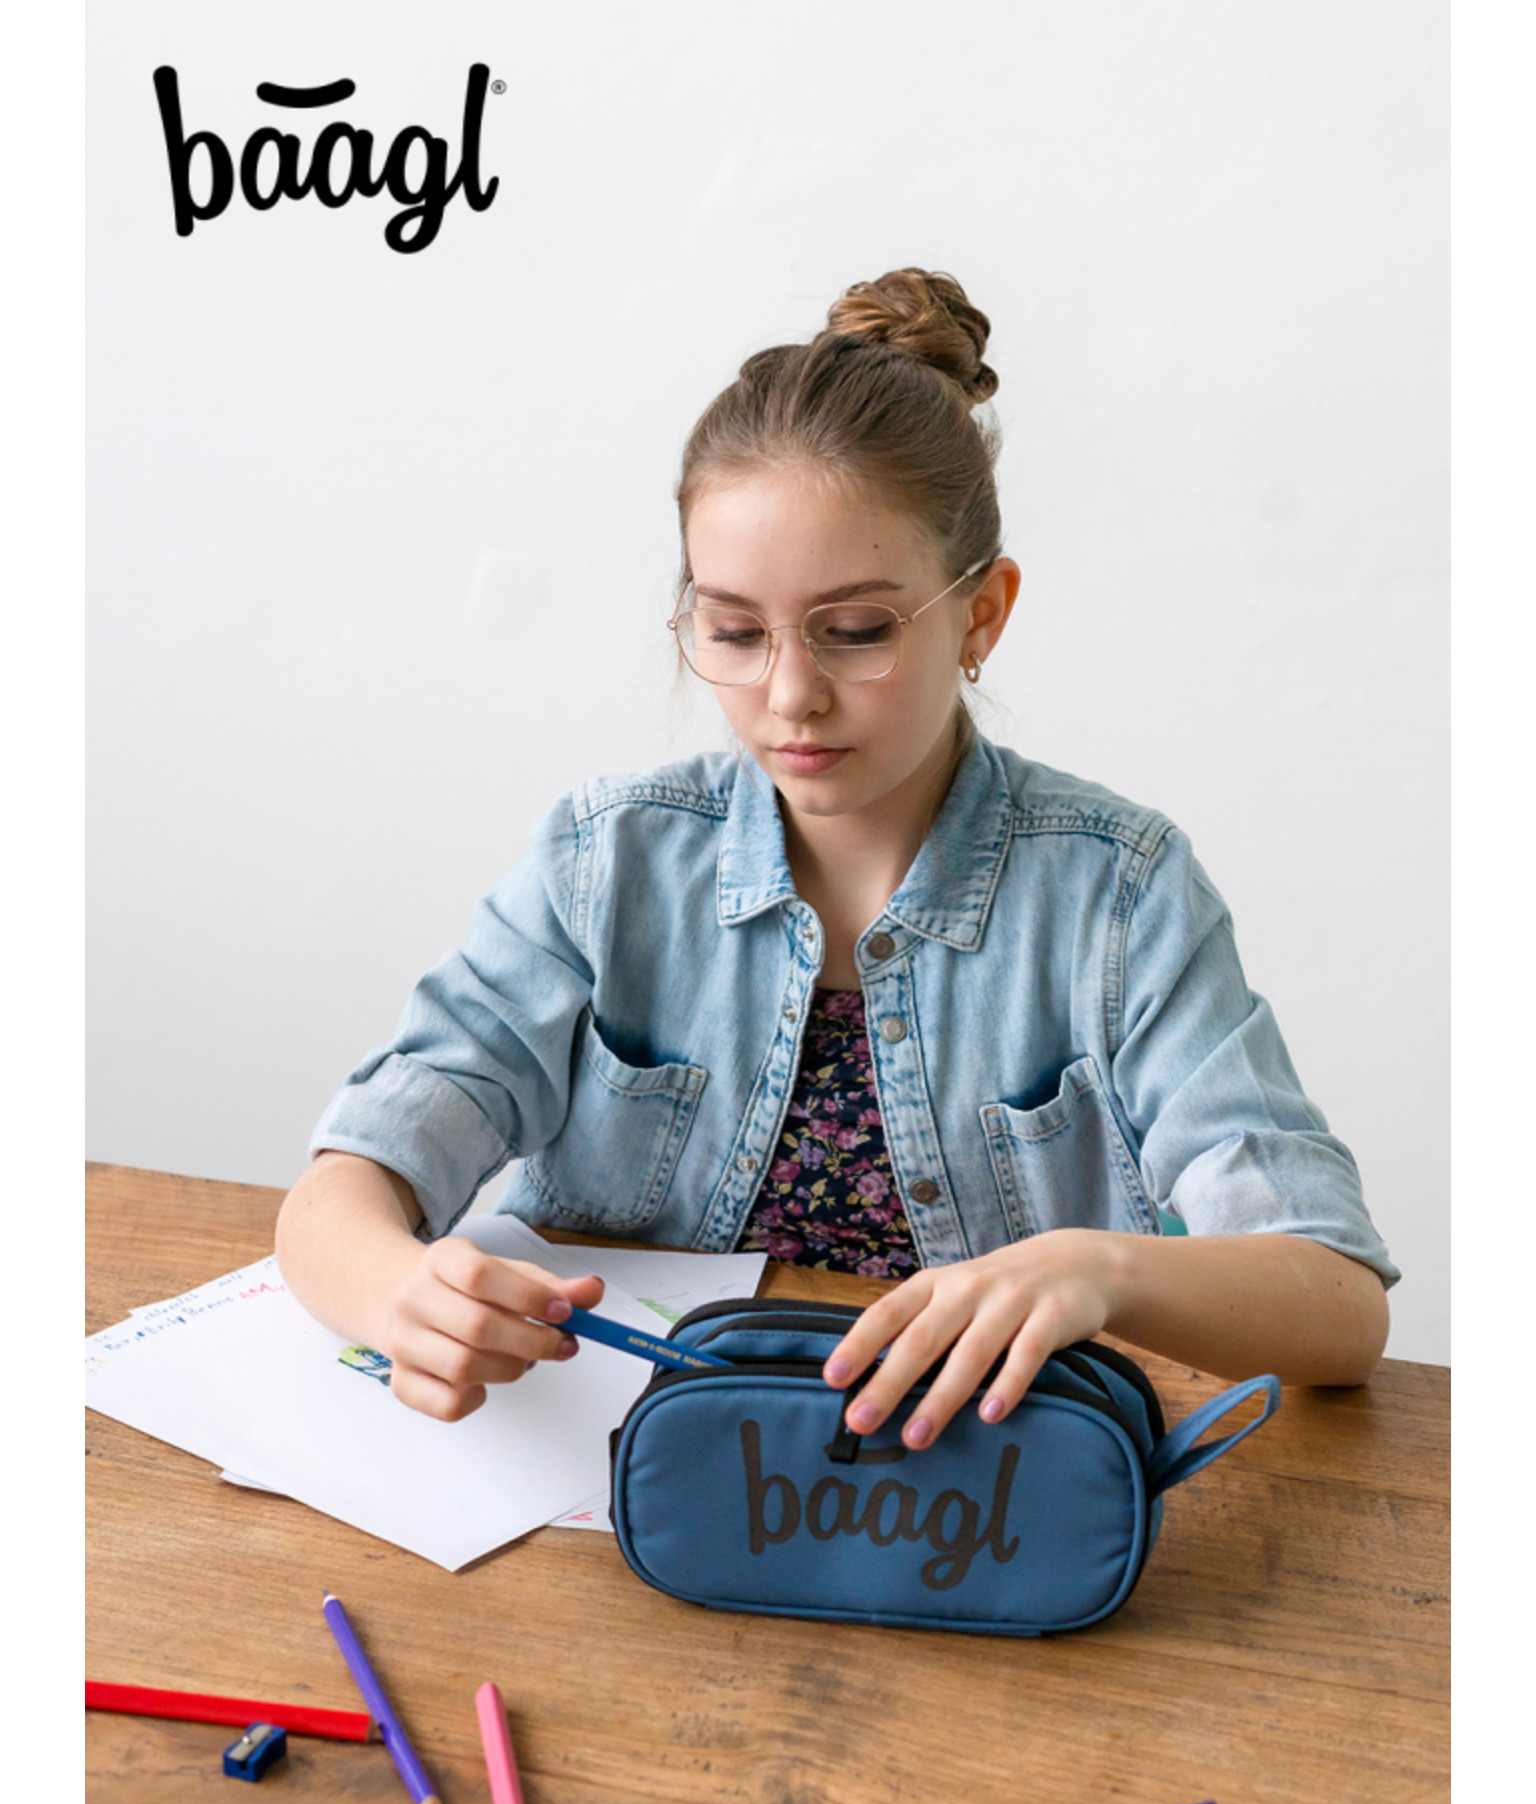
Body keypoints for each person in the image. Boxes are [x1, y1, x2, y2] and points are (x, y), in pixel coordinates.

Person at [276, 267, 1396, 1450]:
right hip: (623, 1479)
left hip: (963, 1503)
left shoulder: (1119, 894)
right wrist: (399, 1294)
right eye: (733, 629)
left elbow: (1339, 1304)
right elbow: (350, 1182)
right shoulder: (608, 862)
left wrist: (1097, 1268)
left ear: (981, 613)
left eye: (856, 630)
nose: (790, 693)